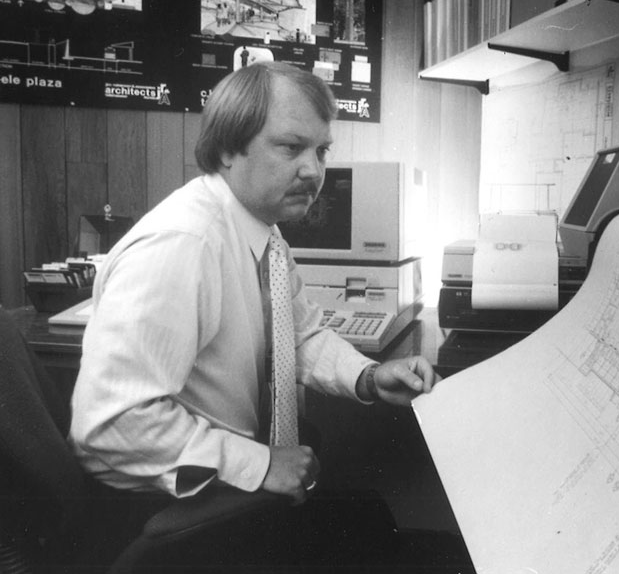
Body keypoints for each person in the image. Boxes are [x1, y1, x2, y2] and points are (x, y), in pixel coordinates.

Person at [68, 61, 445, 566]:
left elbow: (299, 336)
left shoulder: (262, 232)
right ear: (227, 148)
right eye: (291, 147)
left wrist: (370, 376)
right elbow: (110, 425)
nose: (314, 170)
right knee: (374, 538)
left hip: (235, 481)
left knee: (373, 521)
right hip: (180, 504)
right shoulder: (185, 245)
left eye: (322, 150)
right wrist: (261, 465)